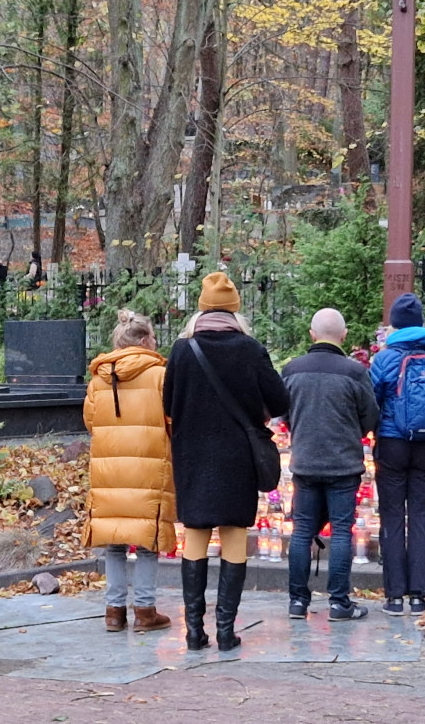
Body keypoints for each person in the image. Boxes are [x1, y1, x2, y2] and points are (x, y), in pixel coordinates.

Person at [163, 272, 288, 651]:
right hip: (237, 458)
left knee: (196, 534)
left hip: (193, 456)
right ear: (234, 311)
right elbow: (280, 401)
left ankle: (194, 631)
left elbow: (168, 404)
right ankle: (225, 630)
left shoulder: (182, 351)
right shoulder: (250, 350)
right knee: (234, 534)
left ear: (201, 308)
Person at [281, 308, 379, 622]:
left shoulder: (292, 369)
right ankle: (339, 603)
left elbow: (282, 414)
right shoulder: (354, 372)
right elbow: (370, 415)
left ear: (312, 335)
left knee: (301, 532)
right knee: (340, 532)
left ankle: (297, 601)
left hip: (305, 463)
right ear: (344, 335)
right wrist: (352, 433)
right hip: (343, 465)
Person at [83, 310, 176, 633]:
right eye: (152, 336)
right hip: (149, 467)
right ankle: (145, 611)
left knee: (115, 543)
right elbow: (171, 420)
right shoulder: (159, 376)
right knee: (147, 540)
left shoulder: (98, 379)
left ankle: (114, 611)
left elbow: (91, 422)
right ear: (144, 340)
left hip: (108, 470)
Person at [370, 293, 425, 616]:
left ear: (394, 322)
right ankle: (419, 595)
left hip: (392, 442)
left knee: (392, 515)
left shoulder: (386, 357)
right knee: (420, 516)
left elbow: (373, 400)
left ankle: (394, 596)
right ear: (420, 321)